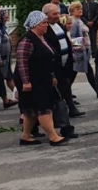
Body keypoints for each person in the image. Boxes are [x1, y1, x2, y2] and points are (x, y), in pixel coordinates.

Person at [14, 11, 68, 147]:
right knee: (44, 108)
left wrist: (52, 76)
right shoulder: (27, 40)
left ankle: (25, 136)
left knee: (30, 110)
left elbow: (48, 59)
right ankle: (53, 136)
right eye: (44, 23)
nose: (46, 26)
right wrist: (26, 82)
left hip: (43, 78)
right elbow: (21, 62)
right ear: (35, 25)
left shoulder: (42, 38)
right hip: (32, 81)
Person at [43, 3, 84, 122]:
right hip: (55, 63)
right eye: (54, 14)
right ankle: (60, 112)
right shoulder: (46, 28)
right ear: (46, 15)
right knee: (60, 87)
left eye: (58, 13)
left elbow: (66, 39)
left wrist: (73, 48)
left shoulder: (59, 25)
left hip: (65, 62)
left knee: (65, 84)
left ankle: (71, 108)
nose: (57, 16)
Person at [68, 2, 98, 99]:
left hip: (84, 49)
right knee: (85, 71)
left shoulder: (79, 20)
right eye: (77, 9)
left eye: (80, 9)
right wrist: (78, 51)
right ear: (72, 11)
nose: (80, 10)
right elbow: (73, 37)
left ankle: (66, 91)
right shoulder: (73, 22)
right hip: (80, 51)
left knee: (75, 71)